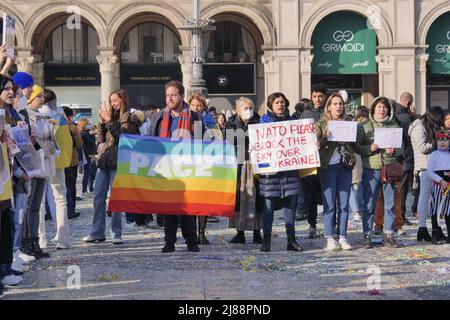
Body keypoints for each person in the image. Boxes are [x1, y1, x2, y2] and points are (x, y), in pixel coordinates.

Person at [83, 89, 142, 245]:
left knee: (115, 199)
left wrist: (109, 121)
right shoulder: (112, 117)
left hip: (119, 162)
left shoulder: (130, 117)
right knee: (98, 197)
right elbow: (102, 140)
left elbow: (122, 137)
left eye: (116, 100)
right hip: (104, 162)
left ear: (123, 100)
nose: (113, 104)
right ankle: (97, 232)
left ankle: (116, 232)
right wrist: (102, 123)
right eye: (112, 101)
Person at [150, 81, 201, 253]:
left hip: (188, 167)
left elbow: (203, 142)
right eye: (167, 95)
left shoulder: (194, 117)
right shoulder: (159, 118)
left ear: (181, 96)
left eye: (173, 94)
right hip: (166, 168)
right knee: (168, 207)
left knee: (188, 207)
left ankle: (191, 241)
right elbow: (152, 141)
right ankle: (169, 241)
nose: (170, 98)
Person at [356, 96, 403, 248]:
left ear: (388, 110)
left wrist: (394, 150)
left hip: (389, 169)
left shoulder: (394, 125)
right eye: (379, 107)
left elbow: (401, 148)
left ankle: (389, 234)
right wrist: (369, 149)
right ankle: (367, 235)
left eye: (384, 107)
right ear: (373, 109)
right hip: (371, 169)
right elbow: (357, 147)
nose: (382, 110)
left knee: (390, 203)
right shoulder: (365, 126)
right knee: (369, 203)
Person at [258, 92, 302, 252]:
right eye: (277, 102)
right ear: (271, 105)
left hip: (289, 172)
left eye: (282, 102)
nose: (280, 104)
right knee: (268, 206)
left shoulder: (294, 123)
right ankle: (266, 241)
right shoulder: (262, 123)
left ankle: (292, 240)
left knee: (290, 205)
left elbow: (301, 145)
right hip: (270, 174)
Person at [316, 92, 356, 251]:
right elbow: (315, 141)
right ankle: (329, 237)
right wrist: (324, 139)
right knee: (330, 204)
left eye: (340, 104)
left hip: (345, 167)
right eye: (335, 104)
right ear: (329, 107)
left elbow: (357, 144)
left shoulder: (349, 122)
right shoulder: (321, 123)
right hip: (328, 167)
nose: (338, 106)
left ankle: (343, 237)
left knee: (344, 205)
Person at [225, 97, 263, 245]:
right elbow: (228, 143)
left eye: (250, 108)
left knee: (256, 198)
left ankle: (257, 231)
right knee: (239, 198)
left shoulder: (259, 122)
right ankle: (239, 232)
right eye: (245, 108)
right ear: (238, 110)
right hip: (238, 163)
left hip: (255, 164)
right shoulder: (231, 124)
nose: (248, 111)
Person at [409, 106, 445, 241]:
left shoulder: (429, 126)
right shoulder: (418, 127)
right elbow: (423, 148)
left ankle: (437, 227)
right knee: (424, 198)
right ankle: (422, 228)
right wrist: (437, 141)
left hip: (437, 166)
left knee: (437, 199)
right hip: (424, 167)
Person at [298, 84, 327, 238]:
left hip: (326, 161)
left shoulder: (330, 114)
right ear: (311, 97)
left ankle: (330, 224)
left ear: (325, 97)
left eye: (320, 96)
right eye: (315, 96)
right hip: (309, 162)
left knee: (328, 194)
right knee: (310, 195)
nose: (318, 99)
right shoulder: (305, 115)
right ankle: (312, 224)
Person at [394, 92, 417, 226]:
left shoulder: (394, 115)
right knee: (402, 189)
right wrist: (414, 115)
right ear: (409, 103)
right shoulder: (408, 118)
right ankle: (400, 215)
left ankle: (398, 215)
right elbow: (411, 137)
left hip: (394, 157)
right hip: (406, 157)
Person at [427, 131, 450, 244]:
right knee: (436, 209)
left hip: (449, 186)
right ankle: (435, 234)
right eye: (440, 140)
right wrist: (440, 180)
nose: (442, 142)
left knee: (448, 210)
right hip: (438, 185)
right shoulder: (434, 155)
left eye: (445, 140)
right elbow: (429, 172)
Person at [63, 106, 83, 220]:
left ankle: (64, 210)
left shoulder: (57, 125)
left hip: (60, 160)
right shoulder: (72, 127)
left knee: (62, 187)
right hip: (72, 159)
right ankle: (71, 210)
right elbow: (80, 143)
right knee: (71, 186)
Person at [78, 118, 96, 194]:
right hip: (87, 155)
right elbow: (91, 143)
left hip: (88, 154)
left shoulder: (84, 133)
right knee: (87, 173)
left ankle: (87, 188)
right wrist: (93, 135)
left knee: (89, 173)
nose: (89, 125)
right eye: (87, 124)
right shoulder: (84, 134)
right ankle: (84, 190)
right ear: (83, 125)